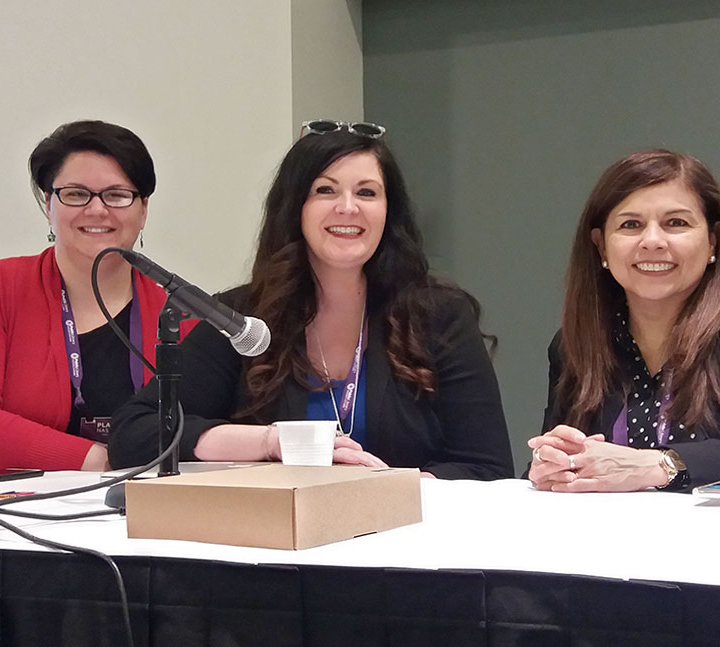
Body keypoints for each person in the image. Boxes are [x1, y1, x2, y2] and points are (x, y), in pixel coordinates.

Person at [109, 120, 514, 480]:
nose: (348, 208)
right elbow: (136, 432)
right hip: (273, 551)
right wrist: (269, 442)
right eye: (325, 190)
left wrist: (392, 489)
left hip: (408, 547)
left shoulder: (439, 316)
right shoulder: (244, 317)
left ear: (389, 212)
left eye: (367, 192)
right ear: (295, 208)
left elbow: (487, 467)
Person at [528, 149, 720, 492]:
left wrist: (662, 464)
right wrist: (551, 466)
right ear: (601, 248)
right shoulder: (575, 344)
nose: (653, 241)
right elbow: (557, 470)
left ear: (713, 240)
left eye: (676, 223)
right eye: (631, 225)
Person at [0, 120, 193, 473]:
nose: (97, 210)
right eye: (76, 194)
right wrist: (100, 459)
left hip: (146, 509)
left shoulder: (181, 317)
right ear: (49, 204)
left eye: (117, 194)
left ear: (143, 210)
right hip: (9, 512)